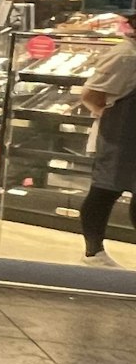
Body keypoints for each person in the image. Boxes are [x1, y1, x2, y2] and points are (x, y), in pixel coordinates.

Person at [77, 18, 136, 267]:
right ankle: (94, 252)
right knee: (105, 190)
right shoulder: (126, 56)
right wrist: (109, 118)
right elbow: (90, 95)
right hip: (122, 137)